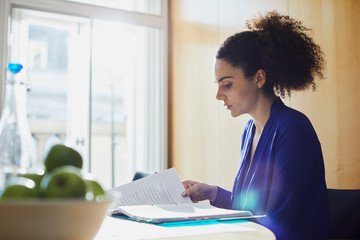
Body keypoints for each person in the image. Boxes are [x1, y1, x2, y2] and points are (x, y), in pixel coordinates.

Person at [181, 11, 329, 240]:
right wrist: (212, 193)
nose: (219, 95)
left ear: (259, 78)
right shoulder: (250, 131)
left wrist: (213, 224)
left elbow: (278, 222)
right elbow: (251, 209)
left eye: (227, 85)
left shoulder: (294, 130)